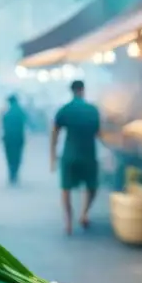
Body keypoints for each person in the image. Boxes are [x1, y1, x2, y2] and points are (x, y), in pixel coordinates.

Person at [51, 80, 101, 235]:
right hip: (88, 154)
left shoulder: (64, 110)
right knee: (91, 187)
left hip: (69, 155)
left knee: (66, 189)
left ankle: (68, 223)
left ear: (71, 91)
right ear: (83, 90)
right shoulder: (92, 110)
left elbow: (55, 133)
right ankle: (84, 214)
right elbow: (99, 133)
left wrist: (52, 156)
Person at [2, 94, 28, 185]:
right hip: (18, 138)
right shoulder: (21, 112)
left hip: (8, 138)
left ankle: (11, 174)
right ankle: (15, 174)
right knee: (17, 156)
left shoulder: (6, 113)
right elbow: (26, 122)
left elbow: (3, 126)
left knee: (10, 157)